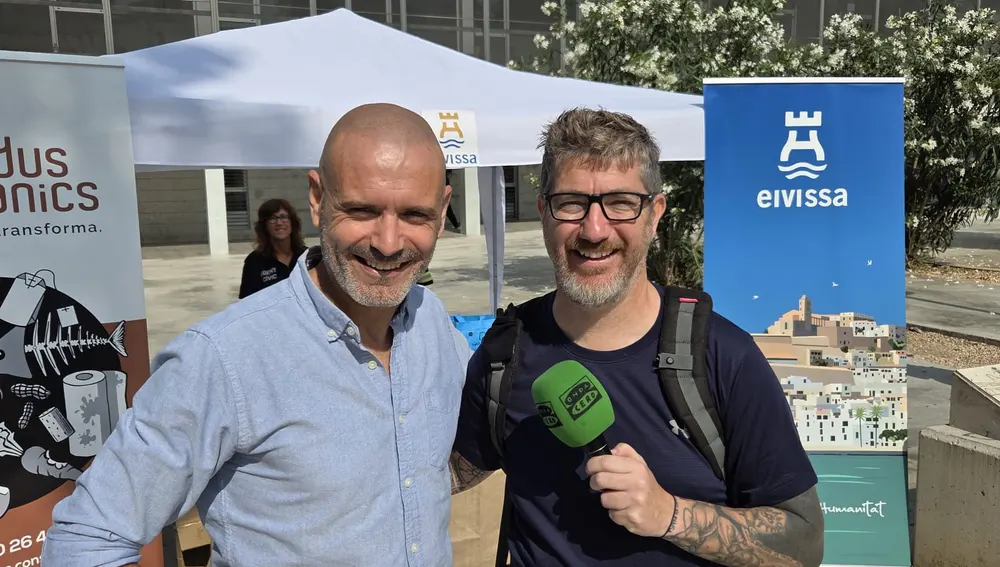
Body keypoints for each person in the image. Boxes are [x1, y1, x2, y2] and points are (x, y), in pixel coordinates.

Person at [41, 103, 472, 567]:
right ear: (317, 198)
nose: (388, 242)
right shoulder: (223, 357)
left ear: (443, 209)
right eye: (362, 210)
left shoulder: (433, 323)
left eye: (415, 215)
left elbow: (429, 470)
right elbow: (85, 542)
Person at [449, 108, 824, 567]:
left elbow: (804, 545)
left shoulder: (724, 357)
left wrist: (669, 514)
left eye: (621, 203)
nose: (594, 230)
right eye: (571, 203)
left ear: (655, 213)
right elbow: (447, 474)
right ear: (544, 212)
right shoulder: (503, 355)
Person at [238, 197, 308, 299]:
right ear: (264, 226)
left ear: (292, 224)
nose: (279, 223)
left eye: (284, 217)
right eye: (272, 218)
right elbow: (246, 302)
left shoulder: (307, 256)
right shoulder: (254, 262)